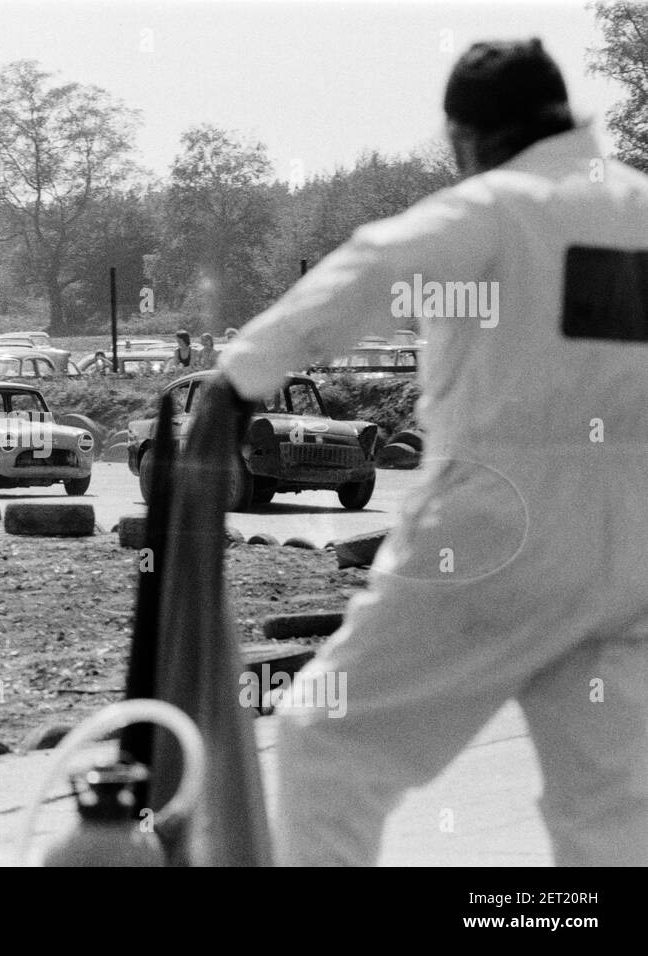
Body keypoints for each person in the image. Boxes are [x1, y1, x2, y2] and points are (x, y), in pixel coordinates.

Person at [217, 39, 648, 866]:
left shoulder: (496, 207)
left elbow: (371, 269)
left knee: (330, 743)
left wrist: (237, 383)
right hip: (632, 558)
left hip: (498, 534)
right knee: (610, 811)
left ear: (468, 137)